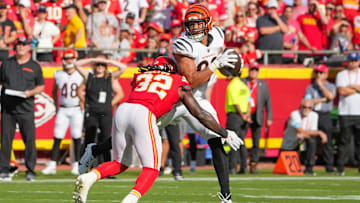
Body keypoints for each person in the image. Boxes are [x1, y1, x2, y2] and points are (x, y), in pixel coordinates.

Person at [78, 4, 243, 202]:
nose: (195, 29)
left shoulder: (218, 35)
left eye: (199, 24)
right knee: (138, 131)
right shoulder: (183, 44)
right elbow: (190, 80)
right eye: (191, 25)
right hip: (180, 94)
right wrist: (216, 65)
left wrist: (228, 67)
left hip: (198, 97)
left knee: (215, 139)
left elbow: (218, 58)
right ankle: (95, 150)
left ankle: (226, 196)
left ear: (209, 24)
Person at [0, 37, 44, 181]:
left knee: (29, 141)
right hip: (8, 109)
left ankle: (30, 170)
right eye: (18, 44)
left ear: (28, 48)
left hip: (26, 108)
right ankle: (4, 170)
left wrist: (30, 93)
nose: (20, 47)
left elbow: (41, 86)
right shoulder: (7, 63)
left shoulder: (34, 66)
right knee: (6, 140)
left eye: (23, 45)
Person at [76, 53, 126, 166]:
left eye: (102, 65)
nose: (99, 67)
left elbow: (123, 68)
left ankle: (107, 165)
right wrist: (93, 59)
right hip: (92, 111)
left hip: (105, 112)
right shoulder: (89, 76)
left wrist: (109, 61)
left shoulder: (110, 77)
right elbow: (77, 64)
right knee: (90, 138)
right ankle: (87, 164)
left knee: (106, 138)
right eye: (97, 64)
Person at [42, 49, 84, 176]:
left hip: (77, 108)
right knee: (57, 136)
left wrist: (83, 103)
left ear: (75, 59)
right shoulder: (58, 73)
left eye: (70, 58)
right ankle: (53, 164)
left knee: (76, 136)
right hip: (64, 108)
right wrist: (56, 104)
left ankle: (76, 164)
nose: (68, 61)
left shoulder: (81, 74)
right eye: (66, 58)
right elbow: (54, 90)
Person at [281, 98, 327, 175]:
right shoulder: (295, 114)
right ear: (301, 107)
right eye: (304, 107)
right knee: (288, 167)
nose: (306, 109)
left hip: (303, 140)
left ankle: (309, 168)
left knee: (312, 141)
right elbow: (299, 130)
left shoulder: (314, 115)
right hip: (291, 142)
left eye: (309, 107)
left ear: (312, 108)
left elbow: (312, 132)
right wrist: (318, 132)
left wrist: (318, 133)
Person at [241, 62, 272, 174]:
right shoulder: (243, 82)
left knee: (256, 142)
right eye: (251, 69)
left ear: (258, 72)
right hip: (245, 114)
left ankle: (253, 164)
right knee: (240, 139)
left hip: (257, 114)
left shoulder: (263, 84)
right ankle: (243, 163)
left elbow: (268, 102)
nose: (253, 72)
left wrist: (269, 117)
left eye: (255, 70)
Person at [305, 64, 336, 173]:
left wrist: (321, 86)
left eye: (321, 72)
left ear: (326, 74)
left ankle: (329, 166)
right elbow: (308, 102)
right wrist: (323, 99)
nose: (318, 75)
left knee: (327, 141)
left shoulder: (330, 86)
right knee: (311, 140)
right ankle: (309, 166)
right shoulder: (310, 87)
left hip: (325, 114)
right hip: (313, 114)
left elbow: (331, 96)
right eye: (317, 72)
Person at [335, 52, 360, 176]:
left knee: (359, 142)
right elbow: (342, 91)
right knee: (344, 141)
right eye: (351, 61)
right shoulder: (342, 74)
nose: (353, 63)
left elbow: (346, 89)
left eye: (355, 61)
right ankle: (340, 168)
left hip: (359, 112)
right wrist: (357, 89)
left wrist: (353, 86)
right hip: (345, 112)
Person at [225, 70, 251, 174]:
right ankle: (244, 167)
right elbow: (249, 101)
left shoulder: (232, 86)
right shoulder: (243, 86)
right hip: (244, 116)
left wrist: (242, 115)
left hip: (235, 116)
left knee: (233, 141)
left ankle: (232, 167)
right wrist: (247, 115)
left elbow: (235, 103)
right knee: (242, 142)